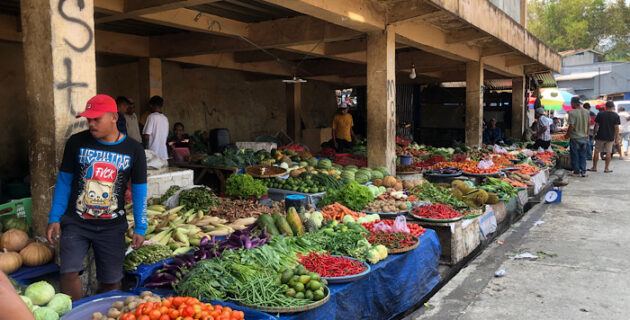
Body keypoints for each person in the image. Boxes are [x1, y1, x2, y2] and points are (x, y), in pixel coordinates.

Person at [46, 94, 147, 301]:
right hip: (76, 222)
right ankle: (74, 312)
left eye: (96, 119)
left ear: (113, 117)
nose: (91, 124)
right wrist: (55, 217)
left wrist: (140, 226)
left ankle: (102, 313)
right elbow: (64, 182)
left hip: (112, 226)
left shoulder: (134, 149)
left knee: (111, 280)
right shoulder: (76, 142)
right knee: (68, 272)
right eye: (88, 119)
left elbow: (139, 190)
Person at [589, 101, 620, 173]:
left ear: (605, 107)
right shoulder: (615, 115)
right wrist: (617, 137)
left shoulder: (600, 114)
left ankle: (594, 167)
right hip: (610, 136)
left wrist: (594, 133)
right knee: (608, 152)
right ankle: (606, 168)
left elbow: (596, 125)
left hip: (600, 135)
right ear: (613, 107)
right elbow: (616, 128)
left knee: (596, 152)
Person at [565, 97, 590, 177]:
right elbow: (589, 124)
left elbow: (571, 126)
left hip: (575, 137)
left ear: (573, 103)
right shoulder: (586, 112)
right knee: (583, 155)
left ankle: (576, 172)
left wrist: (567, 135)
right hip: (584, 137)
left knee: (575, 155)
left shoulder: (572, 113)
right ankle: (583, 171)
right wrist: (587, 134)